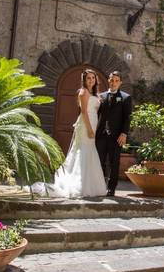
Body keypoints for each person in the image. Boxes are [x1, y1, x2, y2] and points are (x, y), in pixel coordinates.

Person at [33, 70, 107, 198]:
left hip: (93, 123)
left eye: (93, 78)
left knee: (89, 150)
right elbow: (83, 112)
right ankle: (80, 184)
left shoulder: (95, 94)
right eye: (88, 78)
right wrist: (89, 129)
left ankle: (91, 184)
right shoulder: (83, 92)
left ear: (95, 80)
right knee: (83, 150)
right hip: (85, 124)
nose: (91, 80)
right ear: (84, 80)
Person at [96, 71, 133, 198]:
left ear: (120, 82)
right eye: (112, 80)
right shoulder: (100, 96)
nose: (114, 82)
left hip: (117, 136)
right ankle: (100, 186)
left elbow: (127, 118)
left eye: (117, 80)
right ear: (108, 80)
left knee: (114, 163)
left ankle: (111, 189)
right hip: (100, 135)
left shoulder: (125, 97)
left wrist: (124, 133)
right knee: (99, 162)